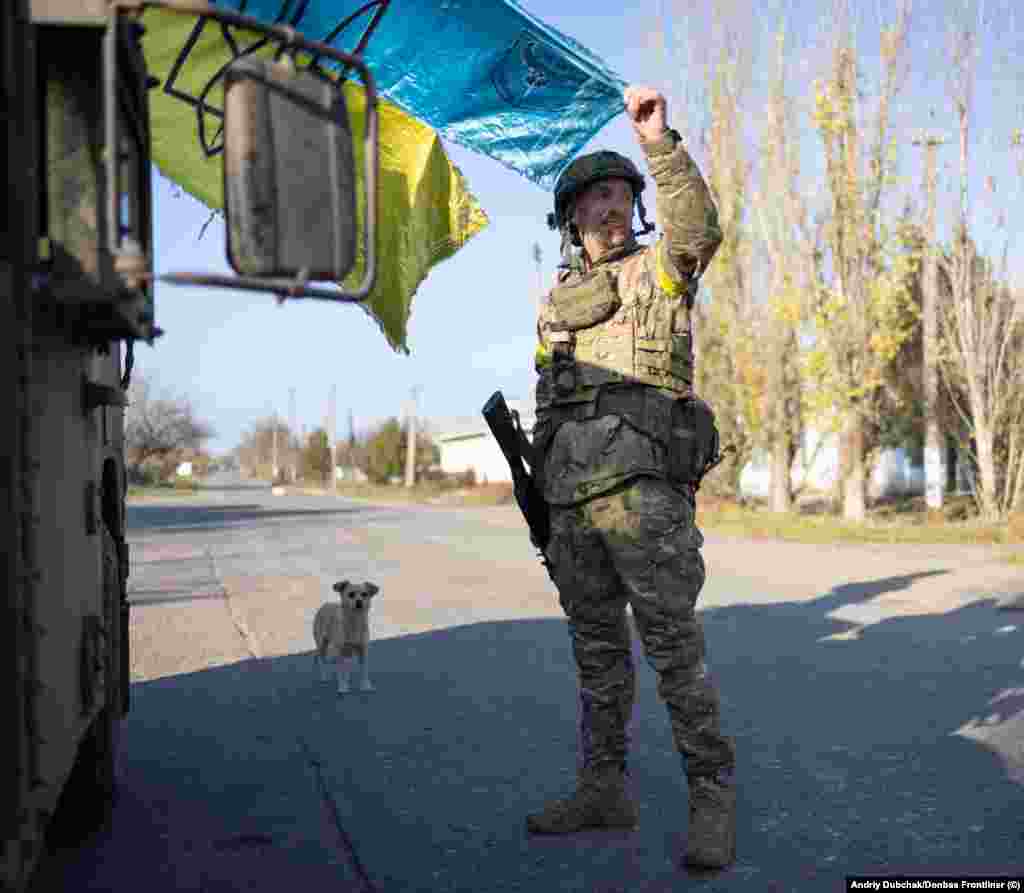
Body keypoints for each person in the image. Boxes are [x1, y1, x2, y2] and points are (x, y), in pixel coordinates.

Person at [525, 85, 737, 869]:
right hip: (574, 510)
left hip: (647, 502)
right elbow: (548, 409)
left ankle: (712, 793)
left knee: (675, 652)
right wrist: (545, 509)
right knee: (597, 655)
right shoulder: (552, 309)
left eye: (620, 198)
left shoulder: (662, 272)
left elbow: (701, 226)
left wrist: (657, 141)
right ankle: (603, 786)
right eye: (594, 201)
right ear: (571, 222)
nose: (610, 210)